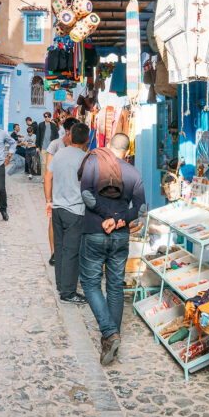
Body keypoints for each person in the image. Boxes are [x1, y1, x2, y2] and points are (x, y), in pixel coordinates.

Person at [78, 133, 146, 365]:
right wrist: (119, 219)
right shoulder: (134, 173)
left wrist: (107, 216)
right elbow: (140, 208)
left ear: (108, 146)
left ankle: (109, 333)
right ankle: (112, 338)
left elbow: (86, 194)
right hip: (120, 235)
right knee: (115, 285)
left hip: (95, 232)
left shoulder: (94, 162)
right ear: (127, 151)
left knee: (90, 283)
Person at [45, 123, 90, 304]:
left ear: (70, 137)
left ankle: (61, 285)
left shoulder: (60, 153)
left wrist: (49, 200)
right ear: (87, 140)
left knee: (60, 249)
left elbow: (48, 177)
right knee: (71, 252)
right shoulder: (86, 158)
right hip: (75, 210)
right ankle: (68, 292)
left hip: (58, 208)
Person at [44, 117, 78, 265]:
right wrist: (48, 199)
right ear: (68, 131)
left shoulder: (79, 145)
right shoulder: (55, 145)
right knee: (53, 221)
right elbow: (48, 173)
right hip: (57, 189)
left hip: (73, 189)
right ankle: (54, 252)